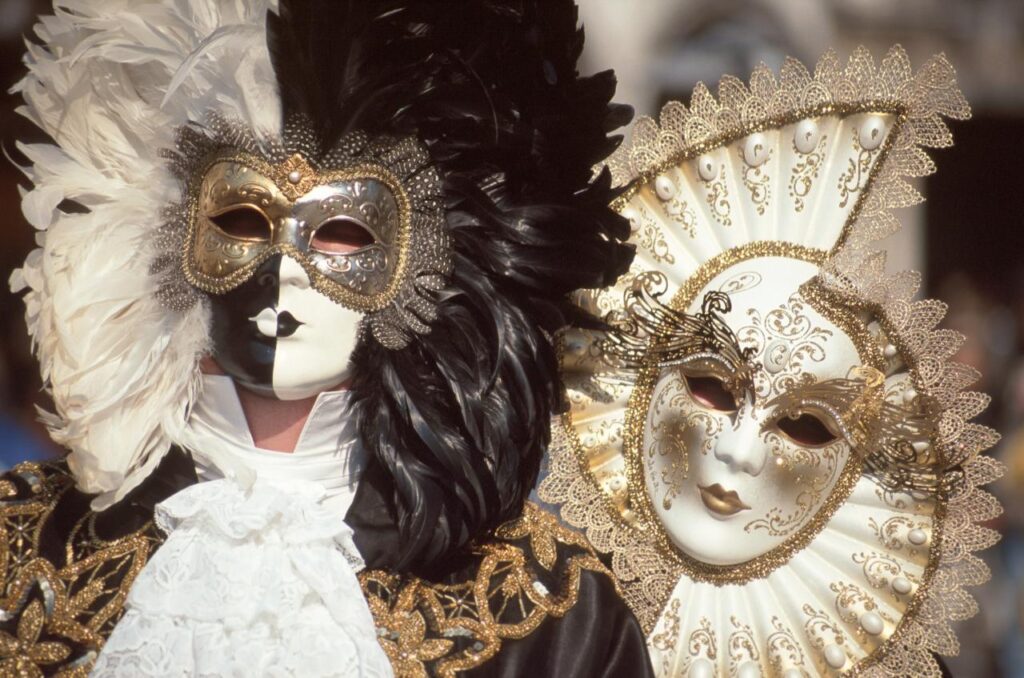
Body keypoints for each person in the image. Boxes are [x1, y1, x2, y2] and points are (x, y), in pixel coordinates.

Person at [0, 1, 655, 676]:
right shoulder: (23, 550)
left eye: (341, 235)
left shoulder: (549, 615)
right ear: (170, 233)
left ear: (426, 267)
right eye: (245, 220)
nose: (281, 275)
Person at [539, 46, 1003, 677]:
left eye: (805, 426)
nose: (740, 453)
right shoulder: (541, 620)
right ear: (639, 381)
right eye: (710, 387)